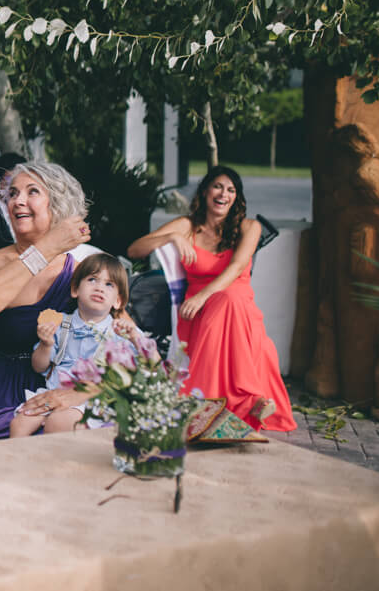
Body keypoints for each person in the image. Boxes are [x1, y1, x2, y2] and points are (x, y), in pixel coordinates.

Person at [126, 166, 295, 431]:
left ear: (236, 198)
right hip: (199, 313)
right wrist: (171, 236)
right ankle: (250, 401)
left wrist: (203, 296)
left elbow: (237, 267)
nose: (223, 194)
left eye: (231, 190)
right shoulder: (187, 226)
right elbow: (134, 249)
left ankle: (236, 401)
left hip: (230, 302)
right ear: (205, 191)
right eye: (217, 186)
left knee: (230, 299)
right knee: (228, 303)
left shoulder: (249, 227)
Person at [0, 162, 93, 441]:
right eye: (12, 194)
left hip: (63, 389)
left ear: (57, 205)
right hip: (1, 397)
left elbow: (127, 348)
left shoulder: (81, 272)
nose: (17, 201)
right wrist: (48, 247)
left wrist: (77, 394)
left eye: (32, 192)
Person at [9, 254, 141, 437]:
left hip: (93, 398)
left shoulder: (120, 331)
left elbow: (147, 365)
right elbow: (39, 366)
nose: (99, 288)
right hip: (53, 391)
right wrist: (46, 345)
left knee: (59, 423)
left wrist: (135, 338)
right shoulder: (60, 323)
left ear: (118, 301)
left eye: (109, 284)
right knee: (20, 422)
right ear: (75, 289)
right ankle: (20, 463)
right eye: (92, 279)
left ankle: (53, 465)